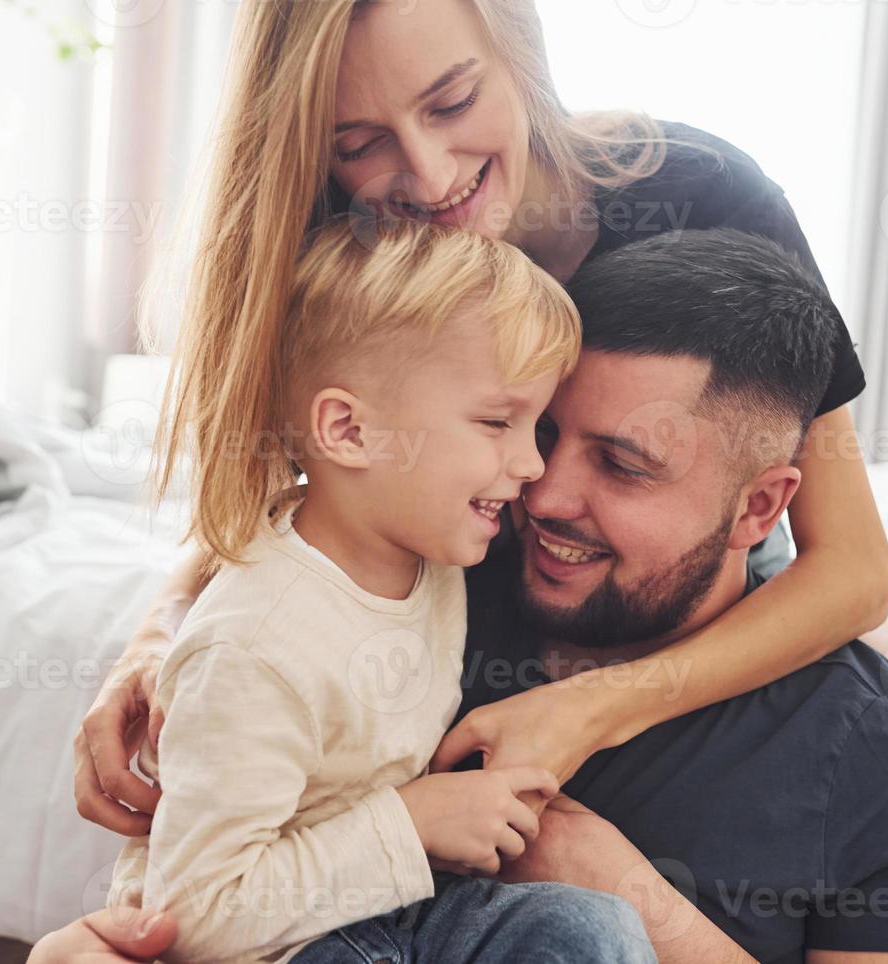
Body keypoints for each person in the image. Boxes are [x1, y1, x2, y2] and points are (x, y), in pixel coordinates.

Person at [74, 0, 888, 882]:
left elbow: (852, 566)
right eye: (361, 143)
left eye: (452, 101)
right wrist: (155, 637)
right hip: (455, 576)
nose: (430, 173)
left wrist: (591, 712)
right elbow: (290, 497)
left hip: (670, 573)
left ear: (514, 42)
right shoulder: (346, 244)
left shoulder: (703, 196)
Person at [39, 229, 888, 963]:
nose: (539, 486)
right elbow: (282, 542)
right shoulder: (435, 561)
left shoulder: (883, 759)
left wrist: (639, 905)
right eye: (530, 427)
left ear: (760, 506)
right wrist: (154, 635)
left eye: (622, 465)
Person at [102, 217, 663, 963]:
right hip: (275, 946)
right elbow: (194, 915)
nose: (533, 467)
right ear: (348, 431)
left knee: (595, 931)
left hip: (395, 909)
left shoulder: (428, 543)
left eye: (537, 426)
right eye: (498, 421)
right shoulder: (255, 645)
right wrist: (411, 824)